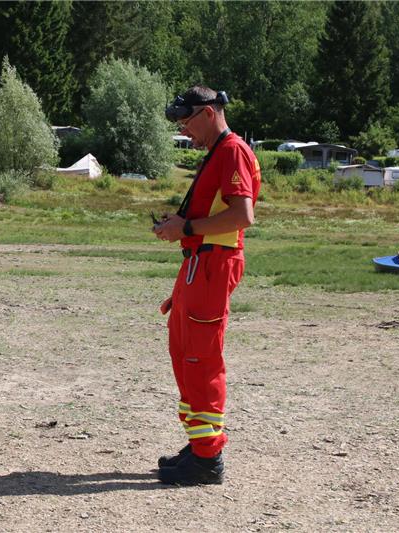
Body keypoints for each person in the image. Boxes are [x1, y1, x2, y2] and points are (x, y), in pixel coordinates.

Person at [153, 86, 261, 485]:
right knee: (185, 354)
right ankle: (199, 444)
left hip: (214, 263)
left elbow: (242, 215)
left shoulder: (232, 150)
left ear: (210, 112)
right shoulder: (217, 152)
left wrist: (188, 227)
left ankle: (207, 458)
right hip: (199, 264)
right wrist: (180, 228)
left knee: (201, 359)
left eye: (187, 122)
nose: (186, 132)